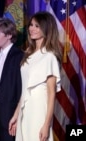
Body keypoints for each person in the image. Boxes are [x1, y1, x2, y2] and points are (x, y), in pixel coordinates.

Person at [8, 11, 62, 141]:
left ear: (46, 28)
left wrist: (46, 124)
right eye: (31, 25)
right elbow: (24, 90)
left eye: (37, 26)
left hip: (39, 110)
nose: (32, 28)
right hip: (24, 110)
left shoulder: (49, 57)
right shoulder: (28, 55)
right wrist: (16, 115)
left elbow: (51, 94)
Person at [0, 18, 23, 141]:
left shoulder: (19, 56)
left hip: (10, 110)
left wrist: (17, 114)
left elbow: (20, 87)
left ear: (9, 35)